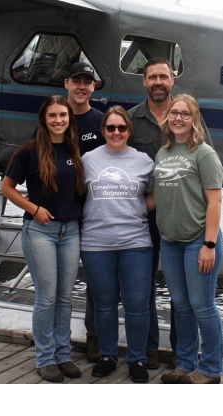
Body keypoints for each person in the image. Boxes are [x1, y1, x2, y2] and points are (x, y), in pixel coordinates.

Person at [128, 57, 213, 369]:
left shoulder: (187, 118)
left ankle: (182, 353)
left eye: (163, 76)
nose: (158, 82)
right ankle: (149, 347)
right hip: (144, 216)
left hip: (183, 218)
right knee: (143, 283)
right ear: (144, 81)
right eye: (152, 77)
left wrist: (209, 236)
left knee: (184, 292)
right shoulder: (131, 119)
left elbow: (208, 170)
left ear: (172, 80)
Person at [2, 95, 85, 383]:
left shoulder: (74, 149)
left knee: (65, 297)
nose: (58, 120)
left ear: (69, 119)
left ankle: (63, 355)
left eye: (63, 115)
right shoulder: (29, 151)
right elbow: (7, 187)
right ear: (44, 119)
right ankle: (45, 358)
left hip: (70, 230)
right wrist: (33, 208)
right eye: (52, 115)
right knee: (47, 297)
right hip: (41, 231)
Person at [80, 105, 155, 383]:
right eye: (110, 127)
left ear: (128, 131)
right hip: (96, 244)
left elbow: (155, 194)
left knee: (137, 304)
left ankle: (137, 359)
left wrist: (134, 209)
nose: (116, 132)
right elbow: (77, 193)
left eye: (121, 128)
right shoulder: (88, 159)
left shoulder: (143, 161)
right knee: (104, 304)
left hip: (135, 242)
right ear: (103, 131)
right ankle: (108, 356)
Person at [155, 94, 223, 384]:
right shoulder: (163, 152)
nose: (178, 118)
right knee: (181, 306)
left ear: (194, 119)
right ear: (167, 117)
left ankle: (211, 368)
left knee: (202, 305)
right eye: (174, 113)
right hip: (170, 241)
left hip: (199, 239)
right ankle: (185, 363)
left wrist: (209, 244)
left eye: (185, 114)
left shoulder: (204, 154)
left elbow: (215, 202)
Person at [64, 61, 106, 362]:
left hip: (93, 213)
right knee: (60, 281)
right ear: (66, 83)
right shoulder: (54, 117)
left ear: (94, 86)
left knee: (97, 281)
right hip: (61, 212)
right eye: (76, 81)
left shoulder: (101, 122)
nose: (82, 87)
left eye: (87, 82)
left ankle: (95, 339)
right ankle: (57, 342)